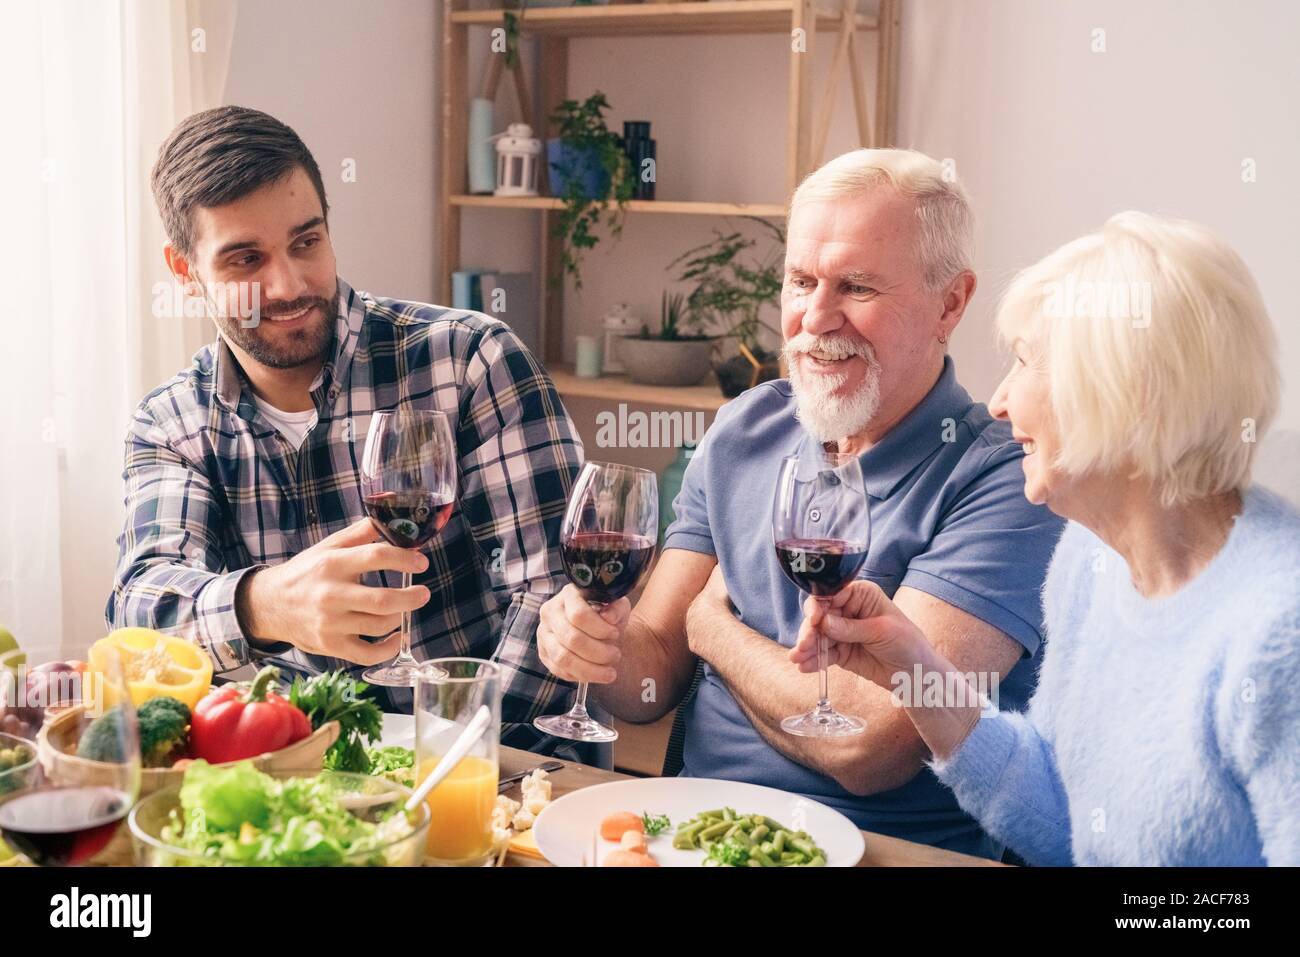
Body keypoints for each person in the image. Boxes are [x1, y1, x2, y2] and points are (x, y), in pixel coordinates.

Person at [537, 148, 1065, 858]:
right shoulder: (746, 427)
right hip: (694, 840)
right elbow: (649, 678)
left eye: (856, 286)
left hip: (889, 853)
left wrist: (713, 628)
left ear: (951, 302)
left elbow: (872, 746)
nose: (816, 317)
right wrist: (592, 642)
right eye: (800, 281)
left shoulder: (1005, 477)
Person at [790, 211, 1300, 865]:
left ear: (1121, 395)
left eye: (1026, 362)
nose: (999, 401)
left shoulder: (1276, 630)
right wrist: (914, 665)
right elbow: (1061, 811)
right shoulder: (1092, 558)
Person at [107, 106, 589, 758]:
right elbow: (140, 605)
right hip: (322, 781)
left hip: (507, 769)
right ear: (184, 270)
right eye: (247, 259)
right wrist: (266, 603)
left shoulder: (469, 360)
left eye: (307, 242)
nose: (289, 284)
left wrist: (448, 758)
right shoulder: (173, 423)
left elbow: (555, 599)